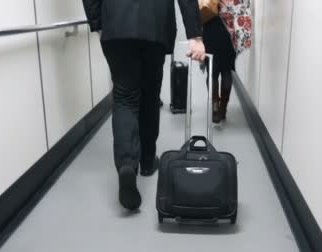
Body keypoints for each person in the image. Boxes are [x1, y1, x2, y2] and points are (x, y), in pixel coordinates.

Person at [82, 0, 206, 211]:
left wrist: (98, 23)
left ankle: (127, 164)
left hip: (116, 25)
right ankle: (148, 160)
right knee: (150, 95)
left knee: (124, 97)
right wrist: (195, 36)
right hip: (155, 25)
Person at [202, 0, 252, 124]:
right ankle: (223, 110)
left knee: (212, 71)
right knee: (226, 71)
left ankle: (215, 109)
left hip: (211, 25)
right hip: (230, 30)